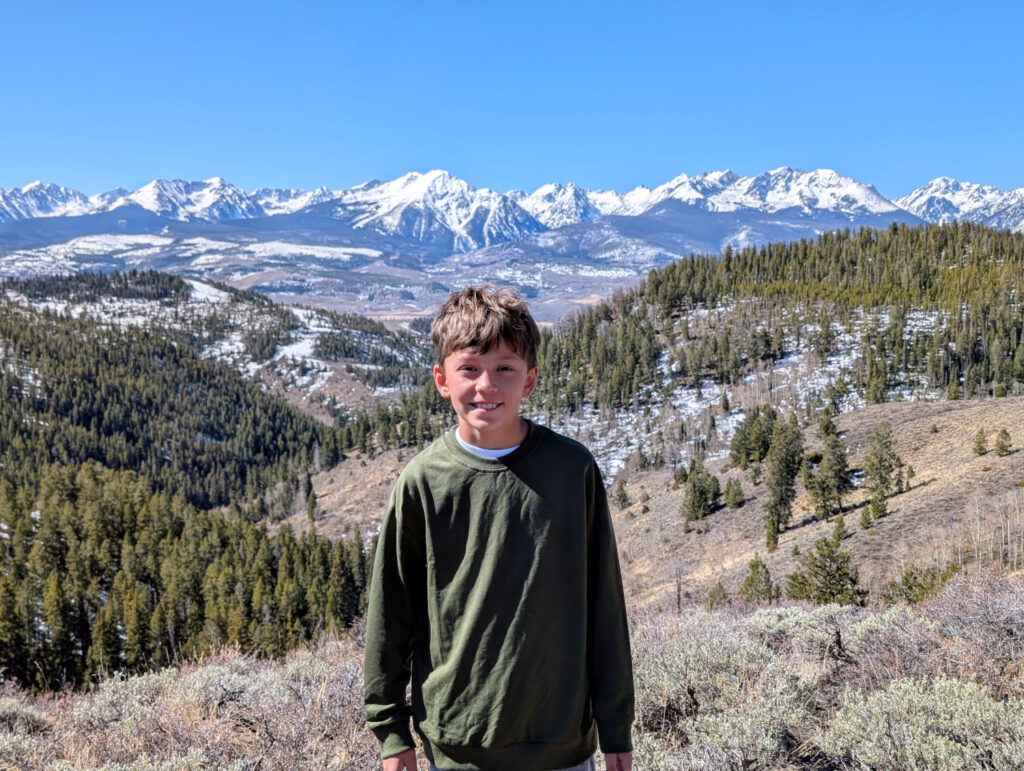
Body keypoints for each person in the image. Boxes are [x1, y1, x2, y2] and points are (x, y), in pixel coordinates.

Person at [364, 285, 634, 771]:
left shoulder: (571, 471)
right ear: (441, 379)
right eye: (469, 369)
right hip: (458, 745)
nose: (486, 386)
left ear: (528, 380)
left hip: (562, 745)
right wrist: (390, 732)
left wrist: (617, 727)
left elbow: (605, 607)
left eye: (504, 369)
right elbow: (391, 615)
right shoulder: (423, 481)